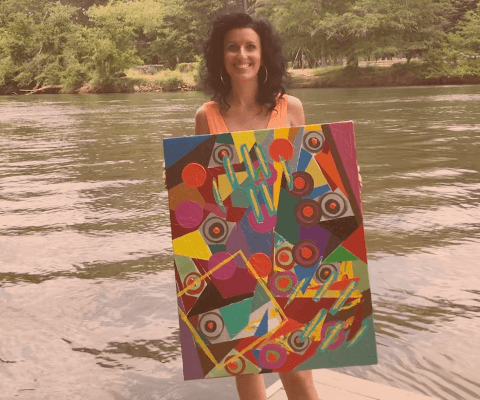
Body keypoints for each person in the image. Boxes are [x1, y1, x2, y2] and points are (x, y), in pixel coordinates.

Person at [194, 12, 320, 400]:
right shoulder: (207, 116)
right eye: (232, 47)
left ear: (264, 55)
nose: (242, 55)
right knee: (245, 365)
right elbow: (203, 192)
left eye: (251, 46)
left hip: (287, 245)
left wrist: (347, 175)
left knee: (294, 366)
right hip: (233, 250)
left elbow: (309, 176)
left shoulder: (290, 108)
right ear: (221, 56)